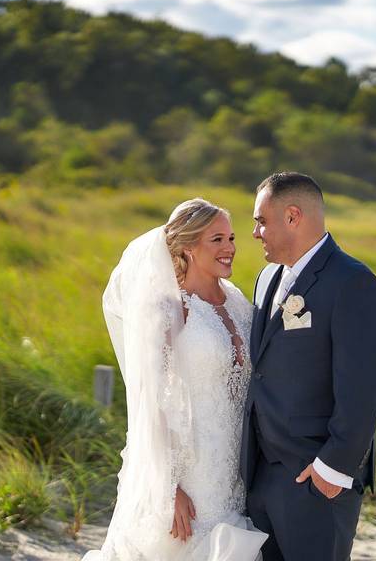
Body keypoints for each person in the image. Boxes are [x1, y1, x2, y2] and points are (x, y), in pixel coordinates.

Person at [83, 198, 268, 561]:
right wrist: (168, 488)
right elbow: (151, 402)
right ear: (187, 246)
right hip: (187, 472)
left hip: (232, 469)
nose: (229, 248)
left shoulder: (237, 301)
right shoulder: (168, 308)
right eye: (216, 240)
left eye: (231, 238)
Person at [241, 172, 376, 561]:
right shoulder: (266, 278)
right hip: (261, 475)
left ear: (292, 216)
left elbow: (364, 389)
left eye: (261, 221)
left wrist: (332, 469)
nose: (255, 233)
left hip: (316, 479)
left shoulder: (353, 283)